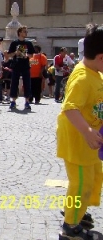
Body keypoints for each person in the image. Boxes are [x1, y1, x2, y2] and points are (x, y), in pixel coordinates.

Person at [56, 23, 103, 239]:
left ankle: (79, 212)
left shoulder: (95, 73)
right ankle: (70, 226)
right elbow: (70, 108)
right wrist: (86, 131)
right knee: (81, 183)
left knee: (93, 179)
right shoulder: (83, 78)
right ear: (101, 57)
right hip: (78, 141)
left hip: (91, 143)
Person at [7, 25, 35, 110]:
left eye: (26, 31)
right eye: (24, 31)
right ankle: (13, 101)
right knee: (14, 83)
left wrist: (27, 55)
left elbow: (31, 55)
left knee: (27, 83)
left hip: (26, 65)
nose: (26, 33)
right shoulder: (14, 43)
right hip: (16, 65)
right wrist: (16, 53)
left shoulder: (29, 43)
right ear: (20, 33)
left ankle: (27, 101)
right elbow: (9, 54)